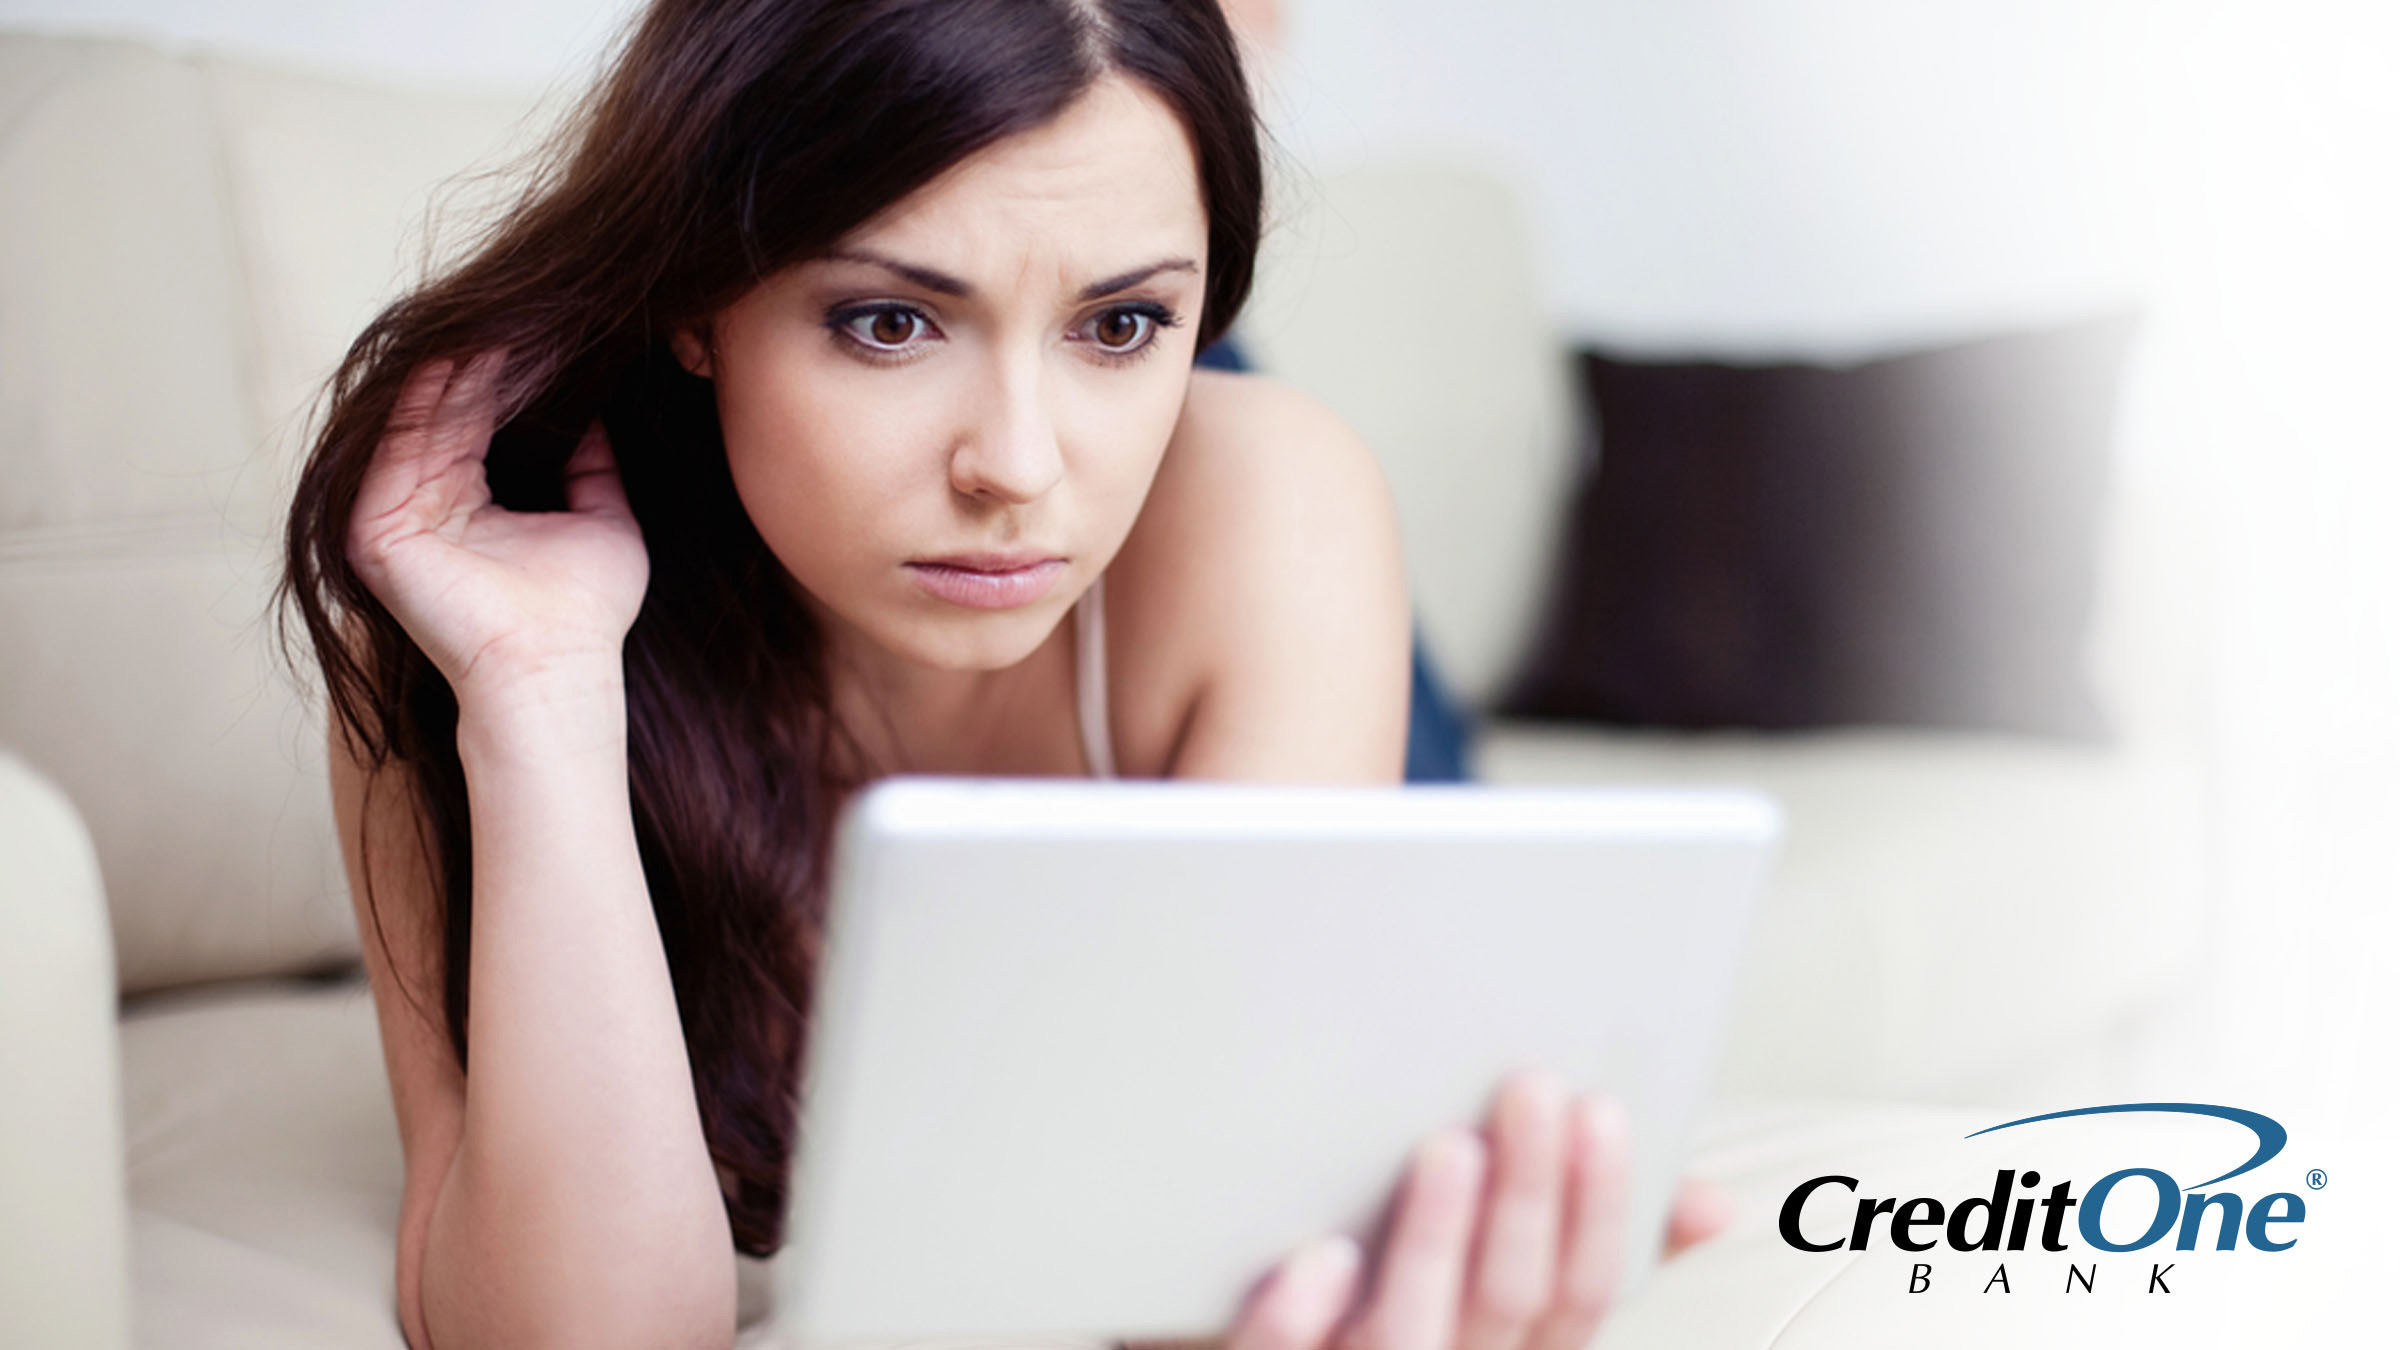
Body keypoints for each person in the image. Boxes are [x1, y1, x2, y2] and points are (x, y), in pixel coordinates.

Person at [278, 1, 1726, 1347]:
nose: (1016, 468)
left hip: (1250, 636)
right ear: (696, 304)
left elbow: (1197, 1226)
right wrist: (542, 700)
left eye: (1124, 322)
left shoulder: (1267, 502)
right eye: (889, 321)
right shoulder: (470, 621)